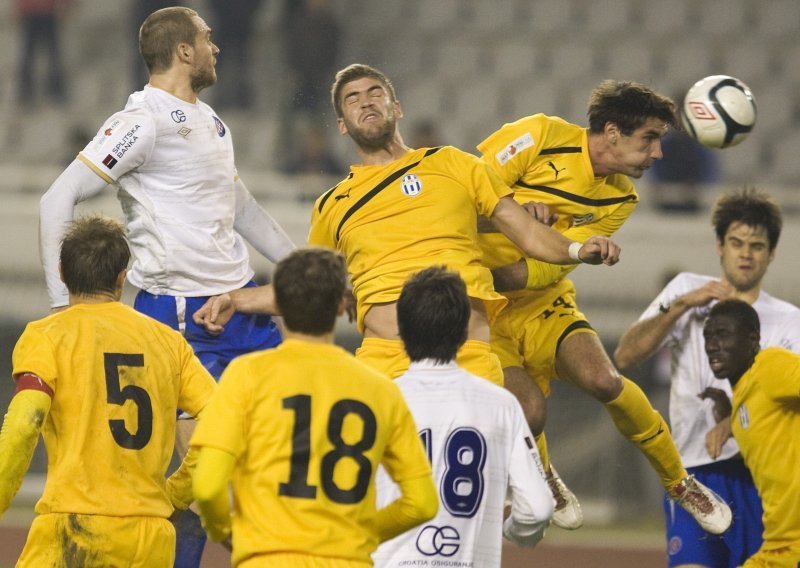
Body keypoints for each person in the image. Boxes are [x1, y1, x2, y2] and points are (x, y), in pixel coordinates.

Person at [37, 7, 296, 566]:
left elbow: (240, 207)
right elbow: (56, 198)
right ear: (184, 51)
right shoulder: (142, 121)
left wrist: (302, 268)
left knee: (286, 464)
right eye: (207, 39)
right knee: (196, 487)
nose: (216, 48)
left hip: (244, 309)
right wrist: (64, 306)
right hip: (183, 319)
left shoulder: (209, 120)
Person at [193, 63, 620, 389]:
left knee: (481, 497)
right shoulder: (332, 204)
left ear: (396, 107)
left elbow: (524, 230)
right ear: (342, 124)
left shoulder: (453, 164)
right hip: (386, 362)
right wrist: (235, 299)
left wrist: (576, 250)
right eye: (353, 98)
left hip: (467, 353)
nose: (365, 101)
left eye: (375, 92)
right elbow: (311, 289)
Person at [478, 80, 731, 533]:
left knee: (604, 378)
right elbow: (463, 195)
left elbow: (552, 268)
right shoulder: (538, 138)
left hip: (542, 301)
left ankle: (680, 484)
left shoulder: (622, 197)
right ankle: (544, 474)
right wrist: (514, 211)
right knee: (530, 411)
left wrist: (532, 258)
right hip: (483, 310)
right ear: (612, 132)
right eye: (649, 138)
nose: (657, 154)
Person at [191, 247, 438, 566]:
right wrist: (358, 534)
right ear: (340, 305)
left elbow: (208, 485)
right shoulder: (380, 389)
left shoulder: (246, 375)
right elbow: (422, 503)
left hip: (267, 557)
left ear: (278, 302)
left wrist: (223, 528)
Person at [0, 216, 217, 567]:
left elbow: (25, 422)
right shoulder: (169, 343)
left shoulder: (46, 337)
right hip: (150, 540)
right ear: (121, 277)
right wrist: (176, 494)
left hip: (72, 529)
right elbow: (222, 420)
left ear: (61, 272)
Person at [615, 189, 799, 567]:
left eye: (757, 245)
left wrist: (733, 420)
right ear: (719, 245)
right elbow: (626, 355)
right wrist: (681, 305)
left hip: (758, 478)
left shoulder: (789, 320)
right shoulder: (685, 290)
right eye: (736, 242)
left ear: (771, 254)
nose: (746, 253)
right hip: (691, 474)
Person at [373, 266, 554, 567]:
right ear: (463, 331)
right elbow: (538, 508)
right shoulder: (502, 406)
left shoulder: (379, 401)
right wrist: (515, 533)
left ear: (401, 330)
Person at [703, 300, 800, 568]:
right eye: (708, 336)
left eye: (722, 334)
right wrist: (730, 420)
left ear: (752, 339)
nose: (712, 345)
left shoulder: (769, 365)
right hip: (779, 548)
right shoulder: (745, 396)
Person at [14, 0, 70, 106]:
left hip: (43, 13)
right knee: (32, 56)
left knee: (50, 55)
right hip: (36, 14)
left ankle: (53, 90)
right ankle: (28, 92)